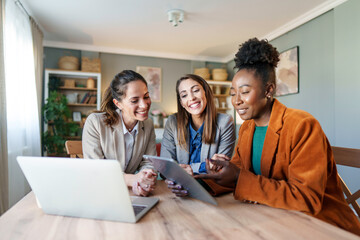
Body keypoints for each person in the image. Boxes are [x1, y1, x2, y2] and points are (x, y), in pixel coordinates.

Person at [196, 38, 360, 235]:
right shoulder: (247, 128)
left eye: (245, 91)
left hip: (321, 226)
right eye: (233, 93)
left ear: (268, 90)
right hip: (272, 218)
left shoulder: (302, 125)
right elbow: (238, 172)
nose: (236, 101)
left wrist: (239, 177)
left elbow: (306, 198)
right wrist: (200, 183)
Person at [82, 70, 157, 197]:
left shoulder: (148, 124)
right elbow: (96, 170)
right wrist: (133, 180)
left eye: (146, 96)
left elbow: (149, 162)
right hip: (99, 192)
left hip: (129, 194)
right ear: (118, 104)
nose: (144, 105)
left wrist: (145, 179)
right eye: (134, 100)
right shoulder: (95, 122)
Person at [161, 74, 236, 197]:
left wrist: (180, 170)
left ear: (206, 92)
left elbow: (219, 170)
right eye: (184, 95)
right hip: (178, 191)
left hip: (211, 192)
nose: (191, 98)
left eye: (196, 90)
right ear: (181, 102)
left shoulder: (225, 122)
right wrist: (203, 166)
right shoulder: (172, 122)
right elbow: (165, 167)